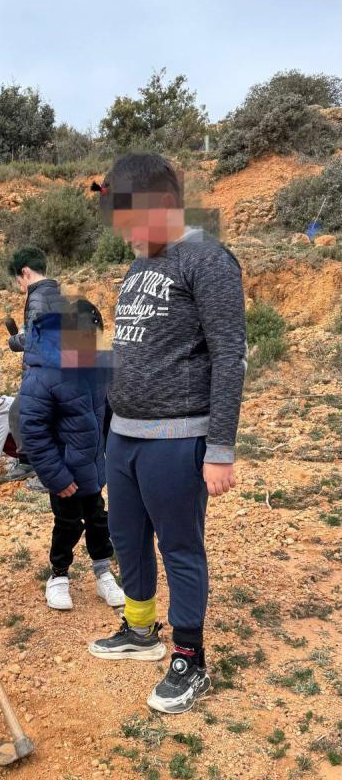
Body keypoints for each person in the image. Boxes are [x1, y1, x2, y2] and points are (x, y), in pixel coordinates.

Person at [88, 153, 247, 715]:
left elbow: (229, 355)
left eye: (130, 222)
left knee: (179, 545)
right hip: (124, 436)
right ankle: (139, 630)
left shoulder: (208, 259)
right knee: (127, 538)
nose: (126, 235)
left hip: (178, 436)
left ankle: (189, 657)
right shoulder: (141, 264)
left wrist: (220, 448)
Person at [18, 295, 124, 612]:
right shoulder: (42, 375)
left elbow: (106, 412)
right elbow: (34, 432)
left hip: (92, 466)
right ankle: (59, 575)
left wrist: (111, 453)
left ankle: (103, 574)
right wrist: (57, 477)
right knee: (67, 523)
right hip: (64, 472)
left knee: (98, 520)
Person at [3, 246, 68, 483]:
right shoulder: (55, 292)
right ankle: (33, 463)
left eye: (18, 280)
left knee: (25, 415)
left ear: (25, 272)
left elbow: (36, 338)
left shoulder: (38, 297)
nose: (19, 285)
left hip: (44, 372)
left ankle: (39, 468)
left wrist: (14, 341)